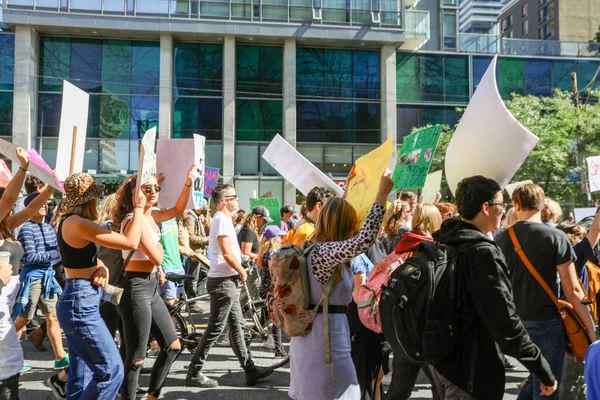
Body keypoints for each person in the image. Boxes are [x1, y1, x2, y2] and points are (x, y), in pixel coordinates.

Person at [431, 176, 557, 400]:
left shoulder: (444, 240)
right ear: (486, 207)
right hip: (471, 370)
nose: (505, 209)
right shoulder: (481, 252)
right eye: (501, 204)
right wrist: (542, 369)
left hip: (443, 362)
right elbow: (505, 322)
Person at [289, 170, 393, 400]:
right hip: (325, 342)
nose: (355, 228)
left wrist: (351, 192)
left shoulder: (315, 248)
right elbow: (363, 239)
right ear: (342, 226)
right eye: (351, 224)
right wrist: (381, 195)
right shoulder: (325, 252)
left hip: (317, 337)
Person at [496, 184, 595, 400]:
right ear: (542, 205)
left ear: (516, 204)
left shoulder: (502, 239)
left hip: (515, 323)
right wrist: (590, 330)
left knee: (534, 382)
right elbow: (573, 289)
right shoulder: (556, 237)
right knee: (547, 388)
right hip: (546, 323)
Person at [53, 173, 145, 400]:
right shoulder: (77, 223)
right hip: (80, 301)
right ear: (90, 199)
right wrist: (140, 209)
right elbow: (131, 242)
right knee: (111, 371)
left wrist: (101, 268)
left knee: (81, 373)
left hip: (80, 298)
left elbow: (85, 259)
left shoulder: (74, 222)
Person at [112, 168, 194, 400]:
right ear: (134, 194)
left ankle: (152, 397)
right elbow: (157, 257)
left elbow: (178, 210)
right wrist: (159, 252)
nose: (154, 192)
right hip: (134, 287)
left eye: (156, 188)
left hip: (150, 287)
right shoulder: (132, 220)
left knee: (173, 346)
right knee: (136, 357)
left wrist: (187, 183)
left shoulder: (152, 216)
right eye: (147, 189)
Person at [186, 184, 274, 388]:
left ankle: (250, 371)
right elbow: (226, 252)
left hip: (227, 280)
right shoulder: (221, 220)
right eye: (234, 197)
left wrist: (240, 264)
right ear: (225, 200)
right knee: (216, 329)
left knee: (237, 327)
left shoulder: (224, 220)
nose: (237, 200)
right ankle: (194, 371)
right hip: (224, 282)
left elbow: (229, 252)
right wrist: (241, 270)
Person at [0, 148, 52, 399]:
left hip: (7, 301)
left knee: (8, 359)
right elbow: (9, 200)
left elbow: (30, 210)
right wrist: (22, 168)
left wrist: (50, 189)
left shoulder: (7, 225)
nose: (5, 200)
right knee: (10, 359)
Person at [386, 204, 442, 400]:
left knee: (399, 387)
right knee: (440, 386)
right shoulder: (437, 249)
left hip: (402, 324)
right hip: (428, 327)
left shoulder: (402, 244)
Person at [13, 191, 69, 371]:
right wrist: (56, 253)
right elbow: (29, 257)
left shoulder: (47, 228)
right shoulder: (26, 229)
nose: (45, 205)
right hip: (32, 278)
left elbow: (53, 253)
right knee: (24, 318)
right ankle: (11, 356)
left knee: (53, 316)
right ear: (31, 208)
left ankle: (60, 357)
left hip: (48, 277)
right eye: (40, 203)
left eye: (47, 203)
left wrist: (57, 254)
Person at [257, 225, 287, 357]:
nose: (281, 238)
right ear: (274, 238)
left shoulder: (266, 251)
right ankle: (279, 349)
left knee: (264, 320)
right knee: (276, 319)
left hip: (265, 288)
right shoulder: (271, 252)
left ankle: (246, 340)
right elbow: (272, 271)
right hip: (270, 288)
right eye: (279, 236)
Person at [158, 216, 187, 307]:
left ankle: (173, 321)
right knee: (169, 302)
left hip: (178, 263)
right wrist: (160, 269)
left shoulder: (173, 215)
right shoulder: (155, 214)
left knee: (176, 301)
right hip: (166, 265)